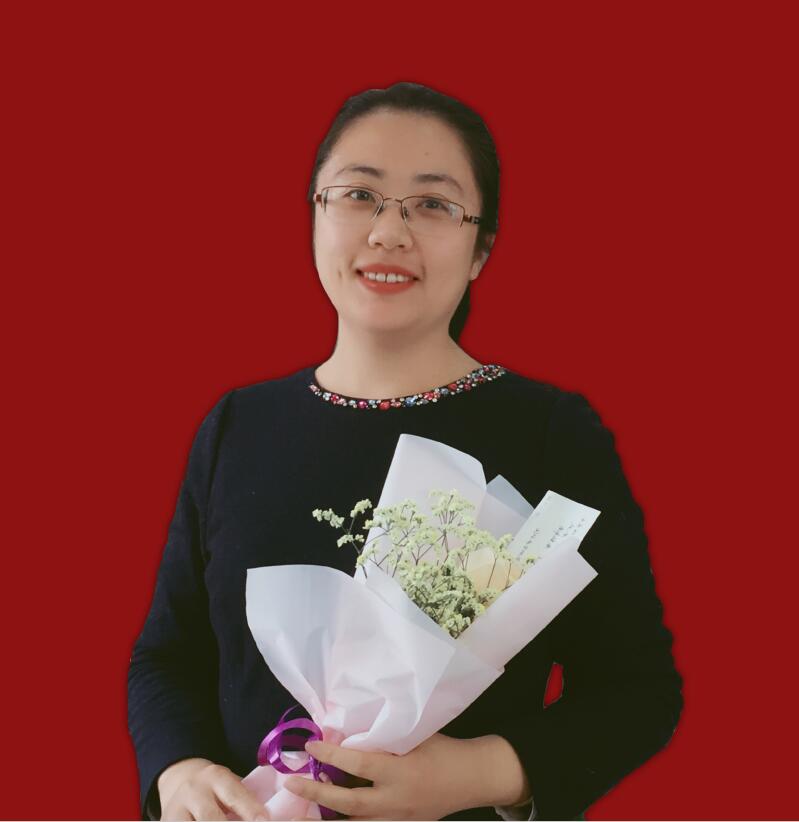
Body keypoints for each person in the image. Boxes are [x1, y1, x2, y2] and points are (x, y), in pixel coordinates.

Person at [127, 81, 683, 821]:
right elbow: (166, 657)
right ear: (315, 216)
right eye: (359, 195)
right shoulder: (237, 426)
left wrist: (480, 774)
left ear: (481, 248)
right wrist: (180, 772)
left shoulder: (548, 432)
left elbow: (639, 691)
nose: (389, 232)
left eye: (432, 204)